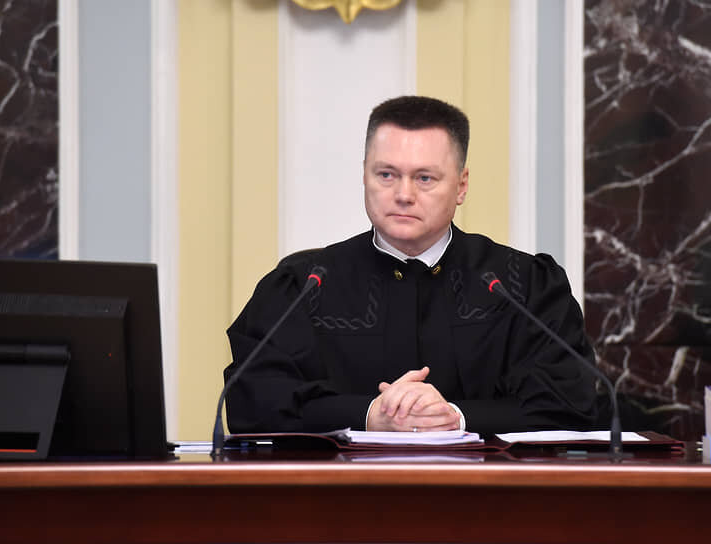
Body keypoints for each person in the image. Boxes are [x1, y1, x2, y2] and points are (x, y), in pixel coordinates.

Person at [225, 95, 599, 435]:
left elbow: (571, 402)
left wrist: (456, 417)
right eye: (386, 175)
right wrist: (367, 415)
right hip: (339, 489)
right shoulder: (304, 285)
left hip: (487, 489)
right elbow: (252, 400)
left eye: (424, 178)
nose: (404, 195)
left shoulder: (523, 285)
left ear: (462, 185)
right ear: (364, 175)